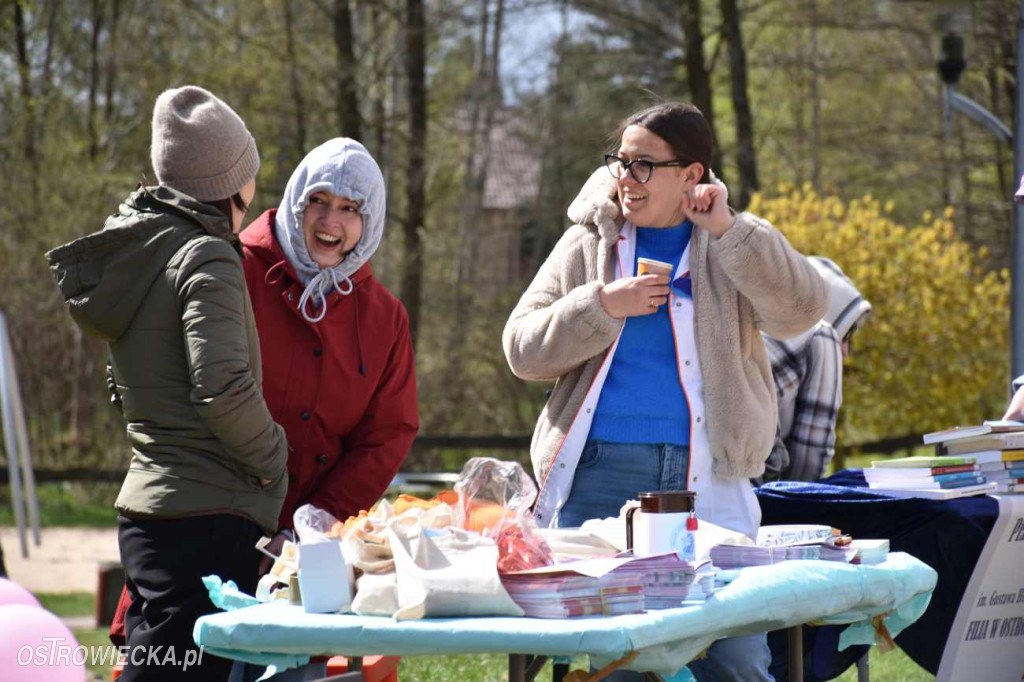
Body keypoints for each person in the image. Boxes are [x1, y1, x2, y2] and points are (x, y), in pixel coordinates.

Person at [503, 102, 829, 681]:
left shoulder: (731, 239)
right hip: (600, 475)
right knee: (618, 660)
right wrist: (600, 306)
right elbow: (521, 349)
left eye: (644, 165)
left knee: (737, 658)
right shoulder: (586, 243)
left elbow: (804, 310)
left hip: (710, 478)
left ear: (692, 174)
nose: (626, 179)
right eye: (621, 162)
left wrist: (730, 230)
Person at [46, 86, 288, 682]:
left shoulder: (142, 253)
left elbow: (119, 386)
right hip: (207, 518)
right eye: (249, 172)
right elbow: (223, 387)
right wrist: (275, 460)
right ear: (228, 181)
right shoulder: (207, 257)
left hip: (150, 509)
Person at [240, 136, 419, 561]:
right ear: (295, 201)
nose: (329, 221)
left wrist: (314, 525)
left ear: (370, 219)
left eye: (349, 208)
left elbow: (386, 436)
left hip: (314, 549)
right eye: (318, 200)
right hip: (214, 521)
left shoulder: (385, 318)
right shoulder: (236, 272)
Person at [758, 257, 871, 483]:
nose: (846, 351)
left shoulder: (751, 323)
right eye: (847, 334)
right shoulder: (821, 336)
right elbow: (810, 460)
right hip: (751, 495)